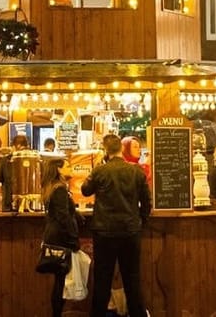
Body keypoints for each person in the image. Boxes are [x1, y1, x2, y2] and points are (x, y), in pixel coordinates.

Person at [81, 133, 151, 317]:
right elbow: (147, 202)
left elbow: (85, 190)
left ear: (105, 150)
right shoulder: (136, 171)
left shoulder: (100, 171)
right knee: (132, 282)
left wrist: (97, 166)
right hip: (130, 231)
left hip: (104, 233)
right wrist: (141, 221)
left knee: (102, 282)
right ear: (121, 148)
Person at [41, 157, 80, 317]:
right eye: (68, 165)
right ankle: (56, 314)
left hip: (54, 237)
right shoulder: (60, 189)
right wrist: (73, 240)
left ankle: (56, 313)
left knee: (60, 280)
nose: (71, 168)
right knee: (61, 281)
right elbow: (63, 217)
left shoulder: (53, 187)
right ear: (59, 169)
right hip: (61, 240)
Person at [0, 133, 29, 211]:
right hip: (29, 204)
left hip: (9, 203)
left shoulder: (6, 160)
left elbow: (0, 179)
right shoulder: (34, 159)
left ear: (17, 146)